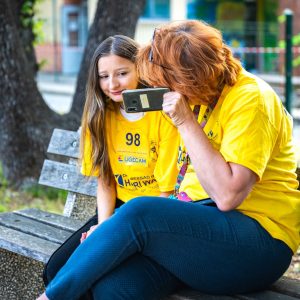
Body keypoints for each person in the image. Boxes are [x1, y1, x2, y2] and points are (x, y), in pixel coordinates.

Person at [37, 21, 300, 300]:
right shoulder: (200, 95)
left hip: (258, 242)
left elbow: (227, 196)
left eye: (168, 82)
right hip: (200, 231)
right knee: (113, 289)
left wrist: (186, 122)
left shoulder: (251, 100)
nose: (163, 89)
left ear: (192, 77)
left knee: (140, 212)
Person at [79, 34, 179, 238]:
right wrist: (103, 227)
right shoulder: (98, 118)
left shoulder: (163, 115)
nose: (112, 84)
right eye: (104, 76)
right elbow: (106, 182)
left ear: (140, 68)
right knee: (61, 262)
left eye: (122, 73)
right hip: (118, 209)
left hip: (156, 213)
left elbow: (167, 191)